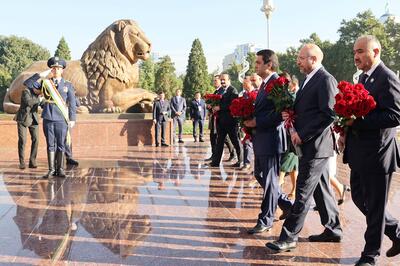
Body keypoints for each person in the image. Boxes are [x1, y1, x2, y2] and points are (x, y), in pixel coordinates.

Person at [266, 44, 342, 252]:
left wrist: (303, 133)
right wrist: (290, 115)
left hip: (316, 146)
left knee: (302, 192)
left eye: (301, 58)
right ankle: (333, 229)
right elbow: (308, 110)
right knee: (321, 189)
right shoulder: (310, 79)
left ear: (314, 59)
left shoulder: (325, 79)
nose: (297, 61)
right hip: (310, 145)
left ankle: (289, 236)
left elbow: (329, 115)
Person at [340, 35, 400, 266]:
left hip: (378, 154)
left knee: (375, 207)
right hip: (359, 153)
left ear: (376, 52)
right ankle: (396, 232)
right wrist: (346, 128)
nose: (356, 56)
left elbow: (395, 115)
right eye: (355, 51)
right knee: (357, 197)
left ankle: (370, 255)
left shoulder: (387, 77)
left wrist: (359, 121)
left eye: (361, 51)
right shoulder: (363, 79)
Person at [243, 49, 292, 234]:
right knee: (259, 174)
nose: (255, 66)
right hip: (261, 137)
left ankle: (266, 219)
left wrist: (257, 121)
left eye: (257, 63)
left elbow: (282, 113)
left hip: (272, 138)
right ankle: (286, 204)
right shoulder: (265, 84)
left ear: (268, 64)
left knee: (270, 180)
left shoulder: (277, 83)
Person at [23, 56, 77, 179]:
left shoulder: (68, 85)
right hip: (48, 117)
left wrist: (72, 118)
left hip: (62, 118)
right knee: (50, 144)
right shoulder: (45, 83)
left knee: (61, 144)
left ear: (62, 70)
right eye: (53, 68)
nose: (56, 70)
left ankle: (61, 169)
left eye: (58, 68)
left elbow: (72, 103)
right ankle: (51, 170)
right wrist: (42, 74)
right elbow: (28, 84)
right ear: (51, 69)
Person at [209, 74, 242, 168]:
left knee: (235, 141)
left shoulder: (233, 90)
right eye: (221, 80)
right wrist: (212, 106)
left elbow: (233, 104)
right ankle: (215, 162)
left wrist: (220, 107)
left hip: (230, 122)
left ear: (229, 80)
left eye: (224, 80)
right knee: (219, 142)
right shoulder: (220, 91)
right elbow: (217, 102)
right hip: (221, 121)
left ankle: (241, 160)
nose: (222, 81)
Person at [277, 72, 299, 199]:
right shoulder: (283, 97)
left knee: (286, 163)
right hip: (286, 134)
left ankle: (278, 188)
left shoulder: (294, 97)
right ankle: (294, 190)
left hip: (293, 134)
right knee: (293, 167)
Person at [206, 75, 235, 162]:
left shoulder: (224, 91)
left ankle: (233, 153)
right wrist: (209, 106)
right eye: (214, 80)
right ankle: (214, 155)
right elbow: (213, 103)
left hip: (221, 118)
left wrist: (217, 107)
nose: (215, 82)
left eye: (216, 80)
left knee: (224, 138)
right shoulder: (216, 91)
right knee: (213, 137)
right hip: (214, 117)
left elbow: (224, 104)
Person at [15, 81, 42, 169]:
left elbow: (42, 103)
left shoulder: (38, 95)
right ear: (34, 88)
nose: (40, 93)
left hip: (33, 119)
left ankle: (32, 161)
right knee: (23, 140)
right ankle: (22, 162)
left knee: (36, 139)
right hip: (23, 118)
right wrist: (40, 99)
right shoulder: (25, 91)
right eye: (39, 91)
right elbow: (29, 102)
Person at [240, 76, 255, 170]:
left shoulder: (255, 93)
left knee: (248, 142)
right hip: (246, 122)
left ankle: (248, 163)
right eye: (243, 84)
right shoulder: (244, 94)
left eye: (246, 83)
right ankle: (246, 162)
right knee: (246, 143)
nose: (244, 86)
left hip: (255, 123)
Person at [64, 92, 80, 166]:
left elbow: (78, 104)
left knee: (68, 138)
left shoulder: (71, 95)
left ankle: (69, 157)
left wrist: (73, 95)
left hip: (67, 119)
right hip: (58, 117)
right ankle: (56, 159)